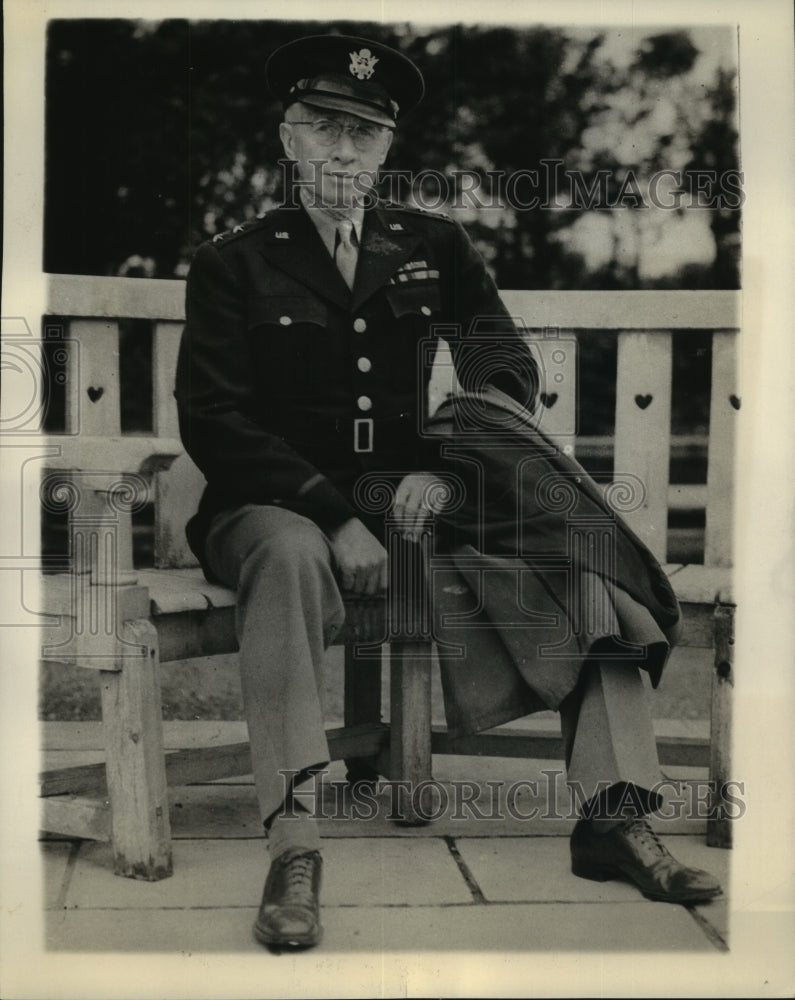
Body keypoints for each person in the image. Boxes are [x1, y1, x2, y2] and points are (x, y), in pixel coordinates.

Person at [175, 33, 721, 951]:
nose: (343, 151)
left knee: (571, 549)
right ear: (288, 139)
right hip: (266, 505)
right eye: (323, 128)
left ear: (386, 149)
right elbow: (216, 420)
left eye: (364, 134)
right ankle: (294, 842)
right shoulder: (234, 261)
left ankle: (613, 817)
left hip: (416, 501)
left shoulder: (433, 244)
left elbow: (504, 367)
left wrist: (443, 470)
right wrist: (335, 512)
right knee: (289, 553)